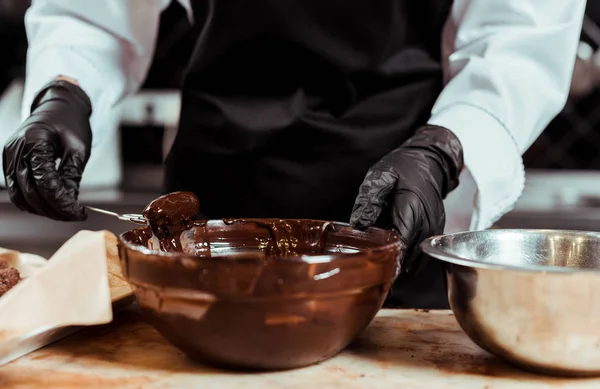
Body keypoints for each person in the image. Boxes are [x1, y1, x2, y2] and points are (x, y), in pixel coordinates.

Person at [2, 0, 585, 308]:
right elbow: (93, 12)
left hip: (395, 216)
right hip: (206, 214)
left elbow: (518, 36)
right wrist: (65, 91)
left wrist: (445, 149)